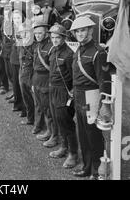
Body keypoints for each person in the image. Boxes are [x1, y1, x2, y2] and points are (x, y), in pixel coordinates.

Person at [69, 16, 111, 180]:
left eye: (83, 30)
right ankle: (86, 167)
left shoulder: (98, 52)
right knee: (83, 135)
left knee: (93, 136)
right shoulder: (79, 49)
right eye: (77, 31)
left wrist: (103, 104)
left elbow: (104, 81)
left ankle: (96, 170)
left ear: (91, 30)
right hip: (79, 96)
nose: (80, 33)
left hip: (91, 97)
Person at [47, 23, 78, 168]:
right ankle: (63, 147)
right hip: (53, 89)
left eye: (57, 38)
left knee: (67, 123)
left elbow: (74, 77)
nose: (54, 40)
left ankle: (73, 154)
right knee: (58, 120)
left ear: (64, 38)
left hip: (64, 92)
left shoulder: (69, 54)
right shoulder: (53, 51)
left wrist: (71, 94)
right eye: (52, 37)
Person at [32, 21, 54, 143]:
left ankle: (52, 134)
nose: (38, 36)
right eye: (36, 33)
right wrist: (33, 82)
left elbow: (52, 69)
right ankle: (48, 130)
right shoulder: (38, 46)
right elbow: (34, 65)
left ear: (46, 33)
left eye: (40, 33)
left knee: (48, 109)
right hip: (37, 79)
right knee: (41, 106)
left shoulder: (50, 47)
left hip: (46, 80)